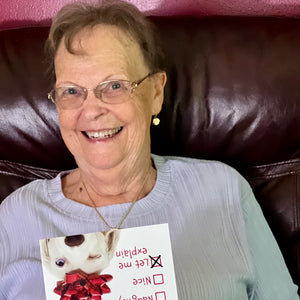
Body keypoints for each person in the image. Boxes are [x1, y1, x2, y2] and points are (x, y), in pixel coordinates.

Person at [0, 0, 298, 299]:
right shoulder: (16, 216)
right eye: (72, 91)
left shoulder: (223, 190)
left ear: (156, 92)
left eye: (114, 86)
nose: (91, 110)